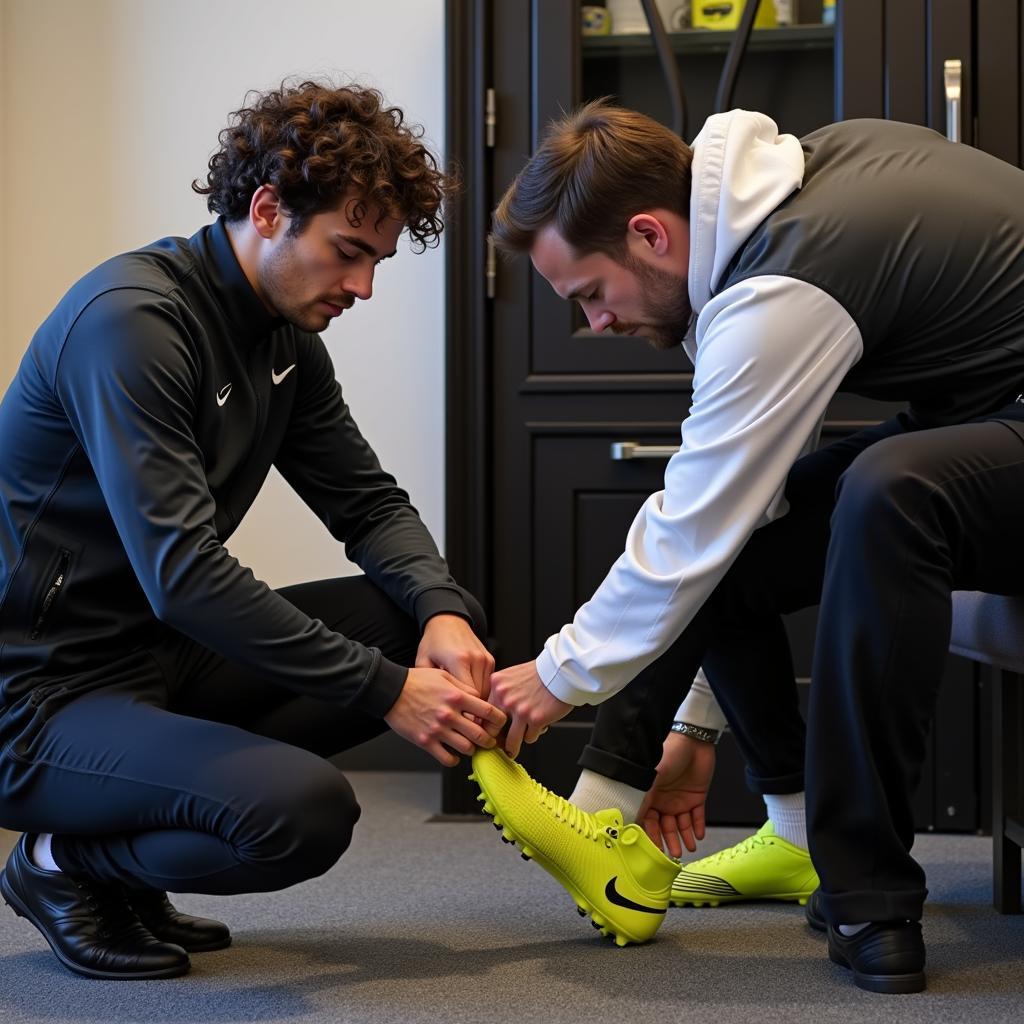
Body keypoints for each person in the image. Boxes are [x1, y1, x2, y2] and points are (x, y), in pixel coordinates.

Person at [474, 99, 1024, 994]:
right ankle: (751, 826)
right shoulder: (797, 181)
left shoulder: (781, 291)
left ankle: (870, 895)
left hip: (994, 433)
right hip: (987, 422)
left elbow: (694, 521)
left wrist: (556, 675)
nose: (598, 325)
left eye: (590, 295)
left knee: (892, 488)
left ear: (651, 234)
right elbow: (742, 519)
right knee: (789, 517)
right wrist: (693, 729)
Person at [0, 79, 506, 981]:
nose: (363, 286)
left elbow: (368, 504)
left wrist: (442, 616)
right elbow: (184, 573)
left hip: (155, 655)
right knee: (300, 814)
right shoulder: (132, 324)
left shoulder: (283, 341)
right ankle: (59, 863)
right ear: (267, 209)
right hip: (39, 694)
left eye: (380, 261)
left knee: (415, 617)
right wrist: (387, 692)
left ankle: (117, 846)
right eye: (349, 251)